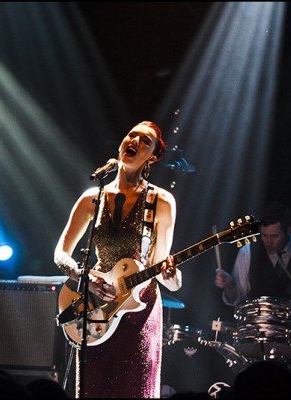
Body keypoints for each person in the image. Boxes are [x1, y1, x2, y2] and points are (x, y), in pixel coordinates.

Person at [54, 120, 182, 398]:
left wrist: (171, 276)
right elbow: (60, 254)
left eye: (145, 141)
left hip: (139, 310)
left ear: (154, 156)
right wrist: (83, 276)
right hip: (97, 304)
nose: (135, 140)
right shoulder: (93, 198)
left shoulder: (161, 201)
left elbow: (161, 266)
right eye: (131, 134)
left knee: (134, 389)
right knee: (93, 388)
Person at [214, 201, 291, 396]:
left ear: (288, 231)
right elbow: (237, 300)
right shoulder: (248, 251)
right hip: (257, 334)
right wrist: (229, 286)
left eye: (275, 236)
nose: (269, 242)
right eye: (264, 236)